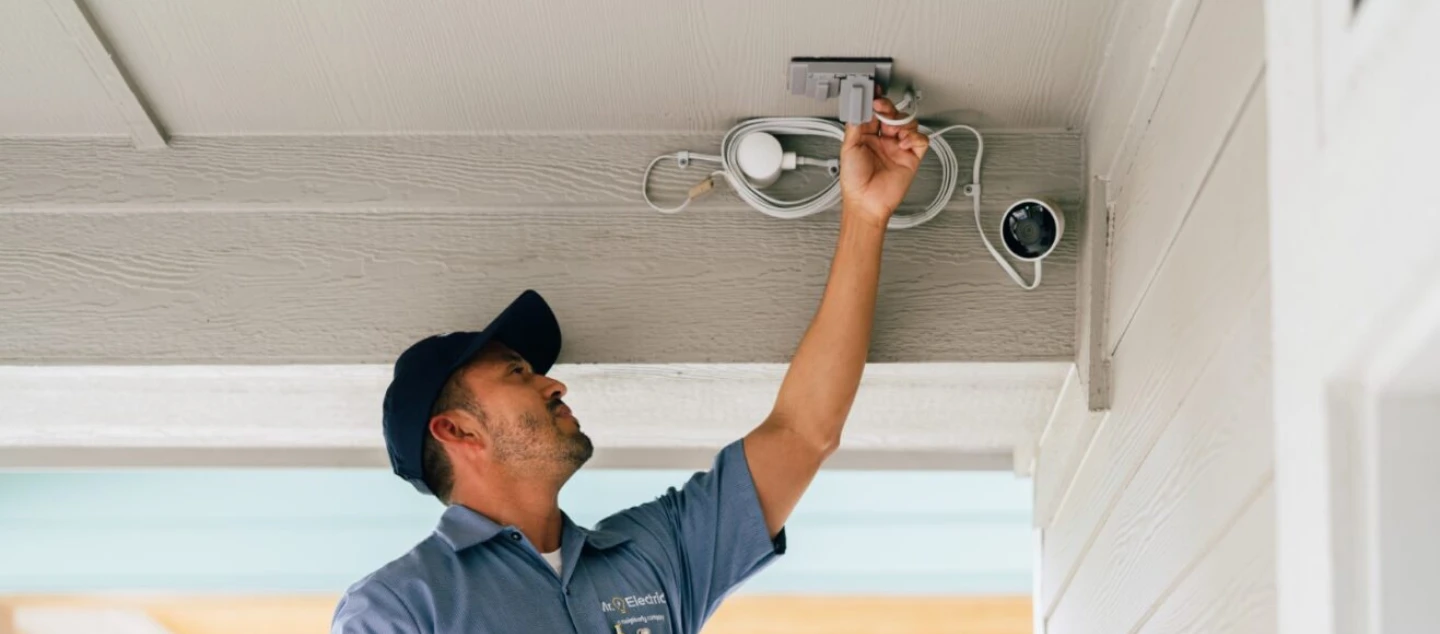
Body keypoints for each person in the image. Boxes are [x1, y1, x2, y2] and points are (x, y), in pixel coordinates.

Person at [331, 98, 931, 634]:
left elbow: (802, 433)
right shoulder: (397, 609)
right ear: (457, 430)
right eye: (516, 373)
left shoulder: (652, 555)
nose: (553, 382)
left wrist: (865, 215)